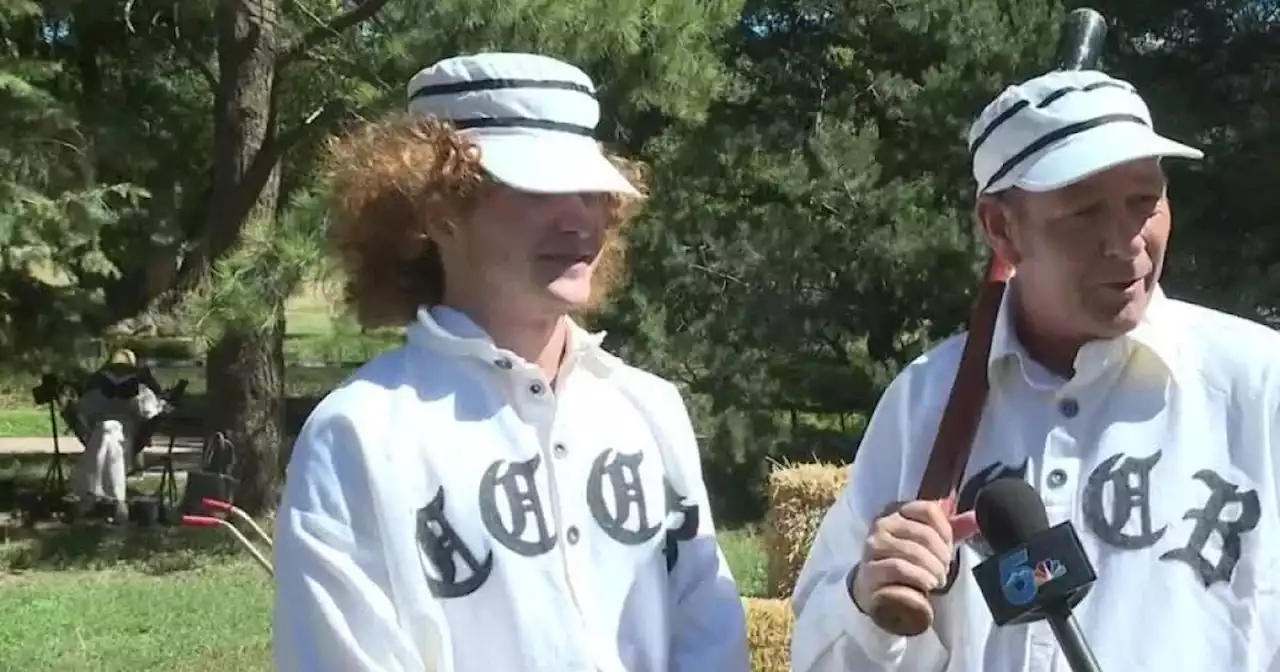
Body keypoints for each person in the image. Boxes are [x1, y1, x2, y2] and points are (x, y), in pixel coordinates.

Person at [272, 52, 750, 672]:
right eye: (539, 189)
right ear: (438, 211)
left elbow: (708, 632)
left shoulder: (648, 408)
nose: (579, 215)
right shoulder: (358, 437)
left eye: (589, 188)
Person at [790, 68, 1280, 672]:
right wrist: (865, 600)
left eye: (1144, 201)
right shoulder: (922, 402)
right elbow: (821, 659)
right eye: (1084, 211)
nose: (1126, 240)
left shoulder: (1259, 387)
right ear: (1001, 228)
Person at [70, 348, 167, 521]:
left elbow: (148, 410)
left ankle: (93, 494)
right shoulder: (99, 382)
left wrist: (134, 398)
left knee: (108, 434)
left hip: (127, 430)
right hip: (101, 428)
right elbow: (85, 409)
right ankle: (115, 497)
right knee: (105, 433)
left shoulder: (139, 383)